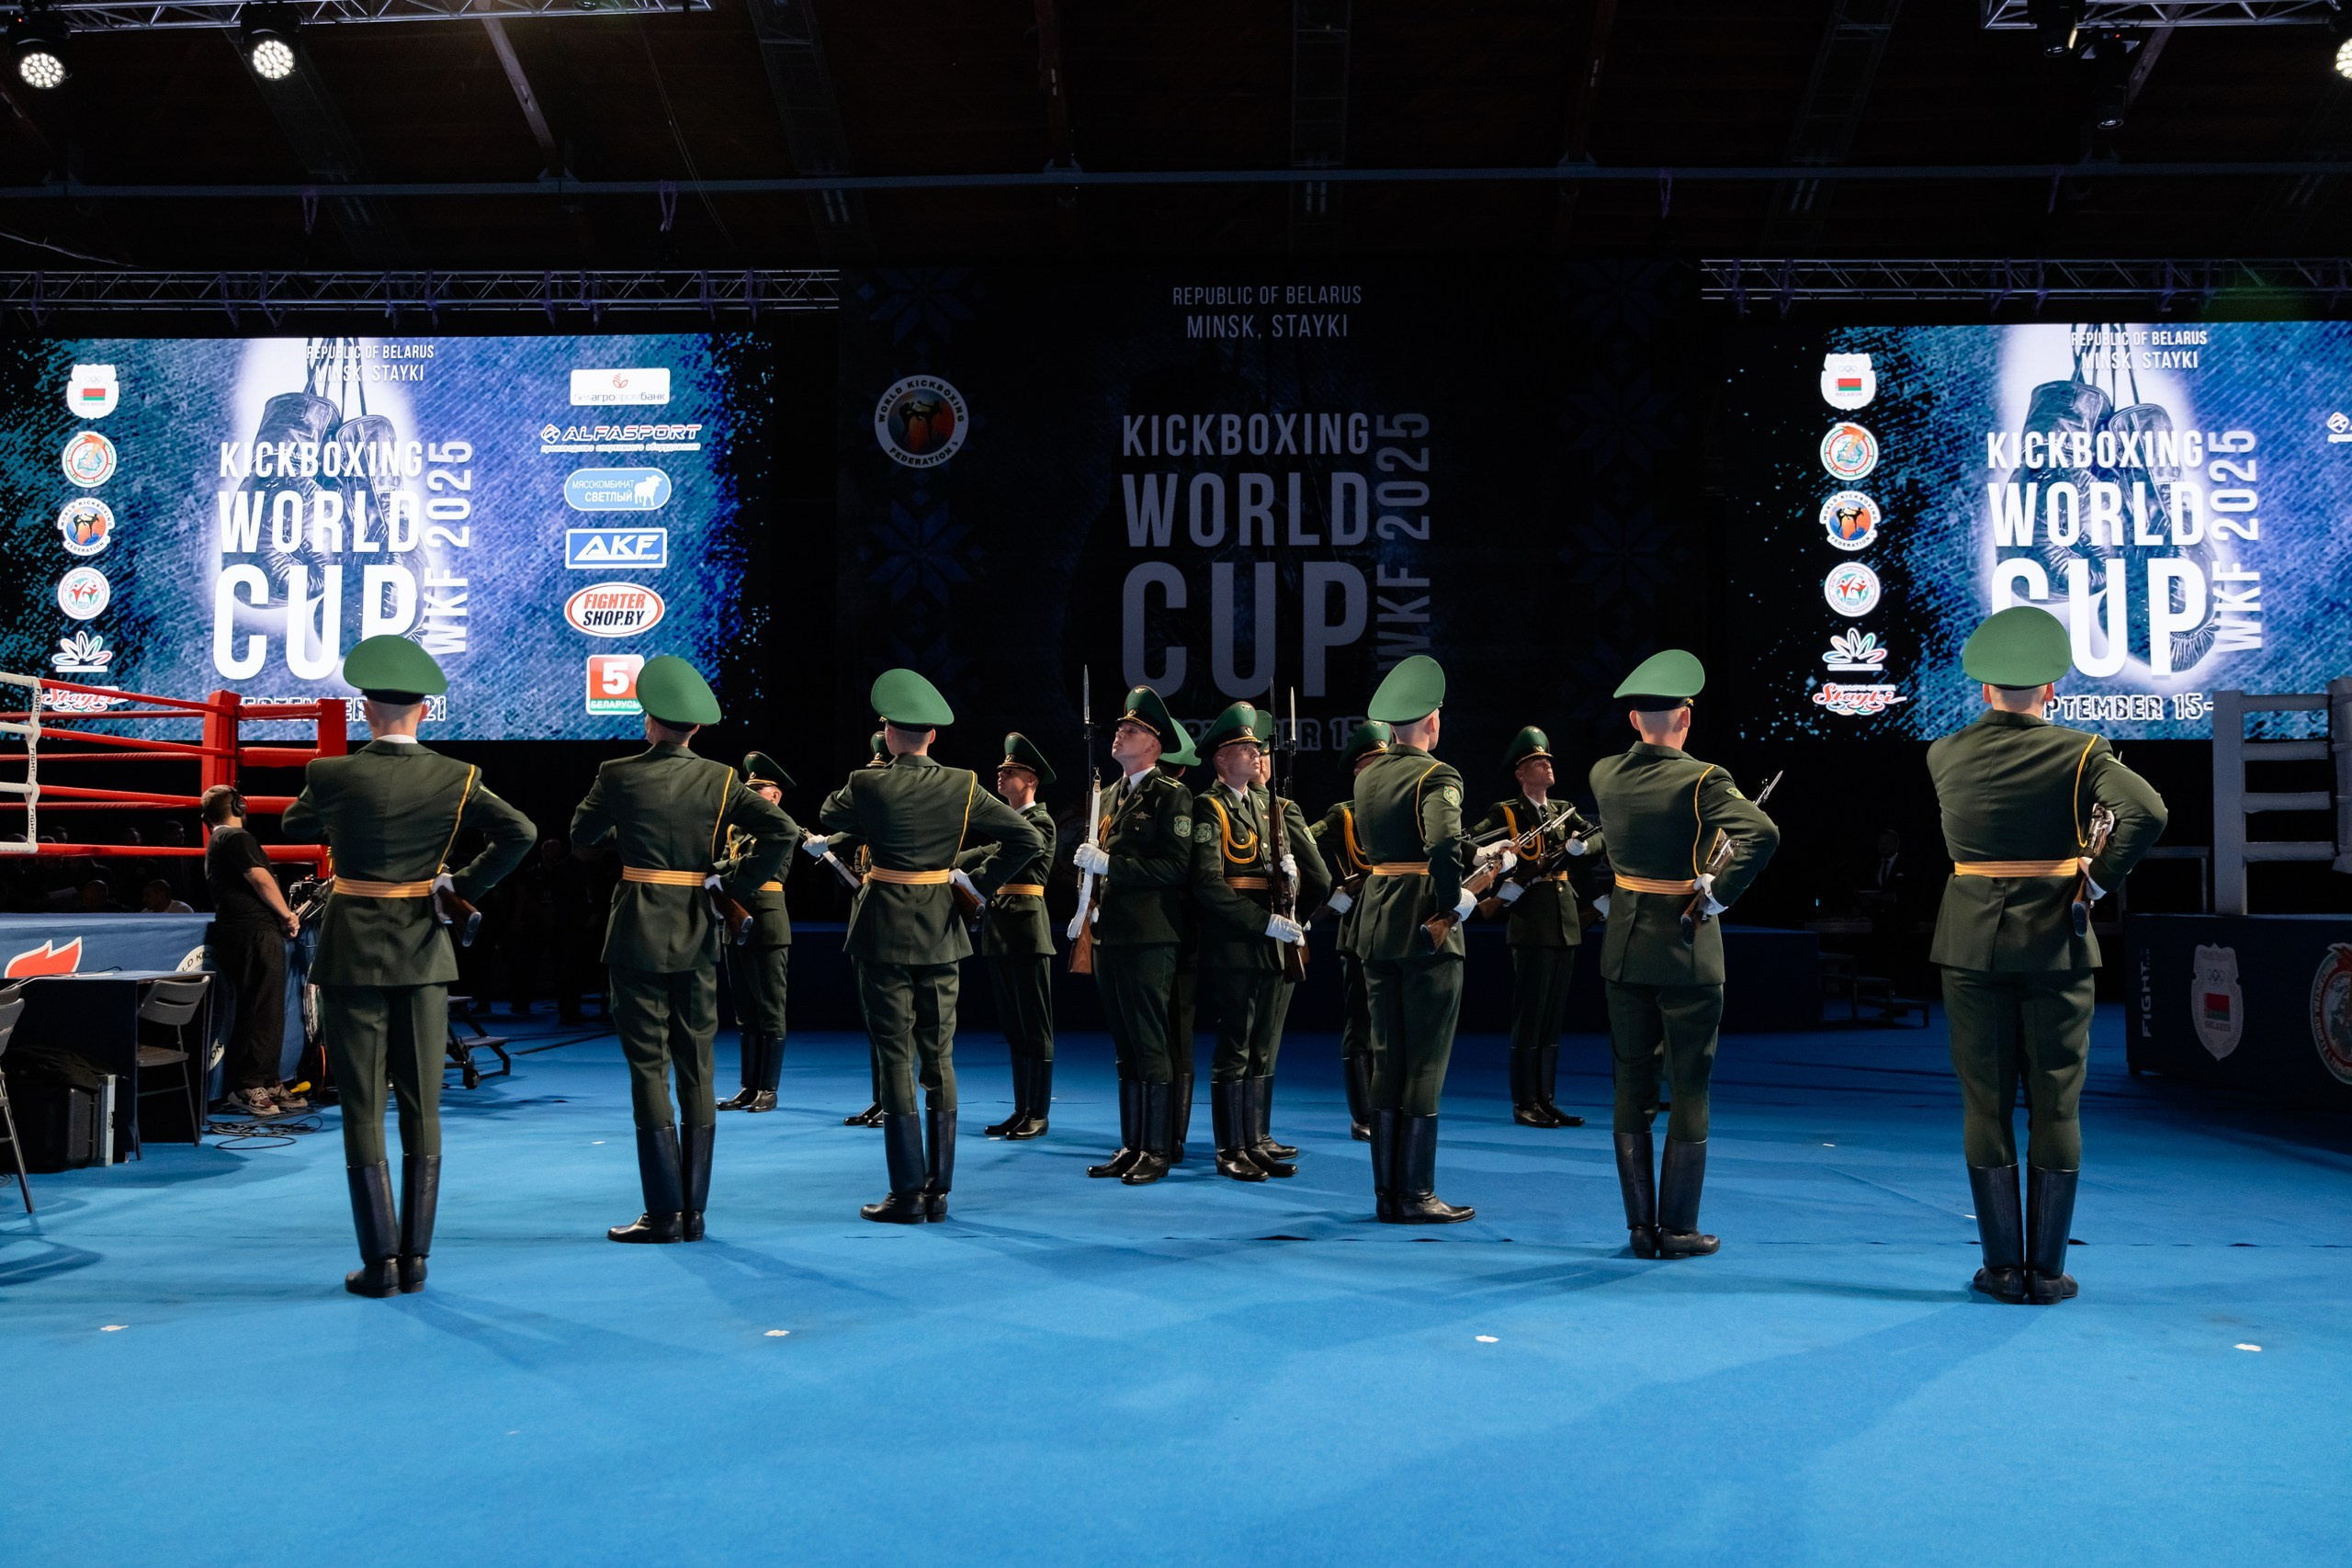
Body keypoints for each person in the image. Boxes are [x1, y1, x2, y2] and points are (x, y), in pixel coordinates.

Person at [280, 637, 536, 1296]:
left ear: (365, 709)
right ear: (425, 709)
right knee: (424, 1104)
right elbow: (522, 833)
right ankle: (416, 1259)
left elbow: (293, 822)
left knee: (362, 1107)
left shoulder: (329, 774)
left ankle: (379, 1263)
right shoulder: (459, 776)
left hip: (351, 952)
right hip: (424, 951)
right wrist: (460, 886)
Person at [1929, 606, 2166, 1304]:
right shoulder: (2083, 752)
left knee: (1984, 1102)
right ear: (2052, 689)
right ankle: (2048, 1271)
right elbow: (2148, 812)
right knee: (2057, 1104)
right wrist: (2099, 876)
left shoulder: (1942, 753)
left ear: (1984, 690)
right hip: (2057, 939)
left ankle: (2002, 1268)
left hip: (1970, 940)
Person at [570, 657, 797, 1245]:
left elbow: (581, 837)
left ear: (650, 720)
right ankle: (694, 1212)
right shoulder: (720, 778)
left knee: (649, 1067)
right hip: (698, 927)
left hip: (637, 929)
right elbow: (782, 832)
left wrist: (629, 832)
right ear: (695, 726)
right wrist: (736, 885)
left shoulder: (617, 773)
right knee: (697, 1064)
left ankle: (662, 1212)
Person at [819, 671, 1044, 1223]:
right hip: (942, 930)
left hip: (881, 930)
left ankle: (905, 1193)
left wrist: (877, 774)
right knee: (939, 1059)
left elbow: (828, 815)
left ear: (889, 734)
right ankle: (938, 1192)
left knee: (895, 1057)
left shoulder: (867, 782)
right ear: (934, 735)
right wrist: (977, 884)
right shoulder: (963, 784)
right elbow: (1027, 838)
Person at [1589, 649, 1780, 1260]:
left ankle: (1639, 1228)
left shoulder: (1603, 774)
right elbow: (1762, 833)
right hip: (1685, 947)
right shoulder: (1703, 779)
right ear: (1686, 717)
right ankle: (1678, 1229)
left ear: (1634, 720)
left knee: (1630, 1083)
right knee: (1690, 1085)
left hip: (1624, 946)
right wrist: (1716, 894)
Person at [1352, 656, 1479, 1224]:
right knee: (1425, 1061)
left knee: (1387, 1058)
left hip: (1377, 921)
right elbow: (1442, 844)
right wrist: (1454, 902)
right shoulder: (1438, 775)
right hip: (1423, 925)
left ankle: (1387, 1193)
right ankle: (1418, 1194)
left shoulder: (1368, 775)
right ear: (1432, 720)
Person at [1191, 703, 1329, 1181]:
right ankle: (1230, 1148)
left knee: (1261, 1042)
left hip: (1271, 942)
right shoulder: (1211, 807)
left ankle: (1253, 1140)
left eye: (1256, 747)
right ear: (1221, 759)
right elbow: (1208, 884)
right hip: (1236, 940)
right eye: (1245, 748)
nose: (1255, 754)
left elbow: (1285, 875)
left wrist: (1291, 880)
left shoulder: (1262, 805)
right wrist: (1262, 922)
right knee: (1236, 1044)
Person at [1071, 685, 1197, 1186]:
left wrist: (1111, 865)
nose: (1120, 733)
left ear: (1154, 745)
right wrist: (1086, 904)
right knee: (1125, 1043)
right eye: (1121, 727)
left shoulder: (1170, 794)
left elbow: (1176, 867)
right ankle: (1133, 1142)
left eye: (1133, 729)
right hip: (1111, 933)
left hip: (1150, 935)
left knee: (1149, 1041)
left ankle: (1157, 1149)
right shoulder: (1109, 796)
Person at [1470, 727, 1606, 1129]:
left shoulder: (1564, 810)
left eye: (1548, 760)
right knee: (1530, 1016)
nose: (1547, 765)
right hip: (1531, 921)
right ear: (1520, 772)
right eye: (1537, 761)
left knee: (1552, 1017)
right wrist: (1499, 869)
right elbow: (1471, 845)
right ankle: (1524, 1101)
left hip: (1564, 921)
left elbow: (1600, 838)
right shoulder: (1507, 813)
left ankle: (1546, 1099)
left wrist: (1584, 847)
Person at [958, 732, 1059, 1140]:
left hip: (1027, 929)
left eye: (1011, 770)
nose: (1001, 775)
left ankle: (1038, 1112)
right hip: (1003, 930)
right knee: (1015, 1028)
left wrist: (966, 875)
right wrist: (942, 859)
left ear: (1031, 780)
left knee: (1035, 1026)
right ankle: (1022, 1110)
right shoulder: (1012, 827)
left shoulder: (1040, 824)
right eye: (1001, 769)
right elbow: (982, 853)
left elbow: (1000, 859)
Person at [1308, 720, 1393, 1141]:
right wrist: (1331, 895)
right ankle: (1364, 1116)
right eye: (1373, 764)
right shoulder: (1342, 815)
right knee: (1361, 1024)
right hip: (1358, 927)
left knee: (1390, 1025)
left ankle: (1388, 1107)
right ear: (1359, 771)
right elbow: (1299, 845)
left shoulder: (1403, 806)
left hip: (1396, 928)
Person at [202, 784, 302, 1120]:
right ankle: (248, 1085)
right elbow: (259, 878)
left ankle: (267, 1081)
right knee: (260, 1008)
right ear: (240, 807)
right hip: (251, 930)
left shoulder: (222, 838)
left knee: (267, 1009)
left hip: (248, 929)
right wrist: (286, 914)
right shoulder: (235, 837)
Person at [716, 751, 798, 1113]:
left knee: (769, 1009)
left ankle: (768, 1088)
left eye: (757, 792)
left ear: (775, 796)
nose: (748, 799)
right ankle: (748, 1086)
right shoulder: (736, 830)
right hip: (735, 920)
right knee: (745, 1011)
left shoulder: (782, 828)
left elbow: (743, 866)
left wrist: (718, 869)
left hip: (766, 919)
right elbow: (725, 861)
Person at [824, 730, 894, 1129]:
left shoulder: (888, 817)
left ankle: (895, 1100)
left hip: (889, 922)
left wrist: (831, 839)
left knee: (891, 1019)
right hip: (866, 920)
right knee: (873, 1017)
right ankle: (880, 1098)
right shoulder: (867, 824)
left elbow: (847, 823)